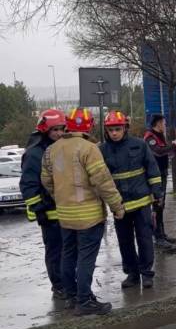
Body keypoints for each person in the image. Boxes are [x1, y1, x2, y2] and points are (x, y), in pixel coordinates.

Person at [41, 108, 124, 315]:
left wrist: (61, 197)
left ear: (68, 125)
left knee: (67, 255)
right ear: (89, 126)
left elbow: (46, 180)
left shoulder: (51, 150)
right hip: (89, 216)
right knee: (85, 259)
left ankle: (71, 296)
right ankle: (84, 301)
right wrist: (117, 207)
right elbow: (103, 181)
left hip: (65, 215)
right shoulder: (89, 148)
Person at [100, 111, 163, 289]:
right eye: (111, 130)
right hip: (119, 205)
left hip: (142, 202)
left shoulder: (140, 145)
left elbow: (152, 170)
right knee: (125, 242)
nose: (114, 133)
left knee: (145, 239)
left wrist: (157, 193)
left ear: (125, 128)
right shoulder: (102, 150)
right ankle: (132, 274)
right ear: (106, 130)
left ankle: (147, 274)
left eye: (117, 129)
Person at [19, 109, 67, 300]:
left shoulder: (59, 147)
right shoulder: (35, 154)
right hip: (48, 212)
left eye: (61, 129)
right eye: (54, 130)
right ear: (45, 130)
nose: (59, 133)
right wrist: (38, 209)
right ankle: (58, 285)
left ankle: (67, 282)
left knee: (68, 250)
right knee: (55, 251)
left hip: (65, 209)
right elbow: (28, 185)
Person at [144, 114, 176, 248]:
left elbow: (166, 154)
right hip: (155, 177)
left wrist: (174, 150)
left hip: (162, 174)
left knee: (161, 205)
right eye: (163, 123)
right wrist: (172, 146)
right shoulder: (150, 137)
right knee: (157, 205)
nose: (164, 126)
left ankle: (162, 234)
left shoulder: (160, 136)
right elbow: (158, 152)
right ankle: (157, 237)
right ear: (158, 123)